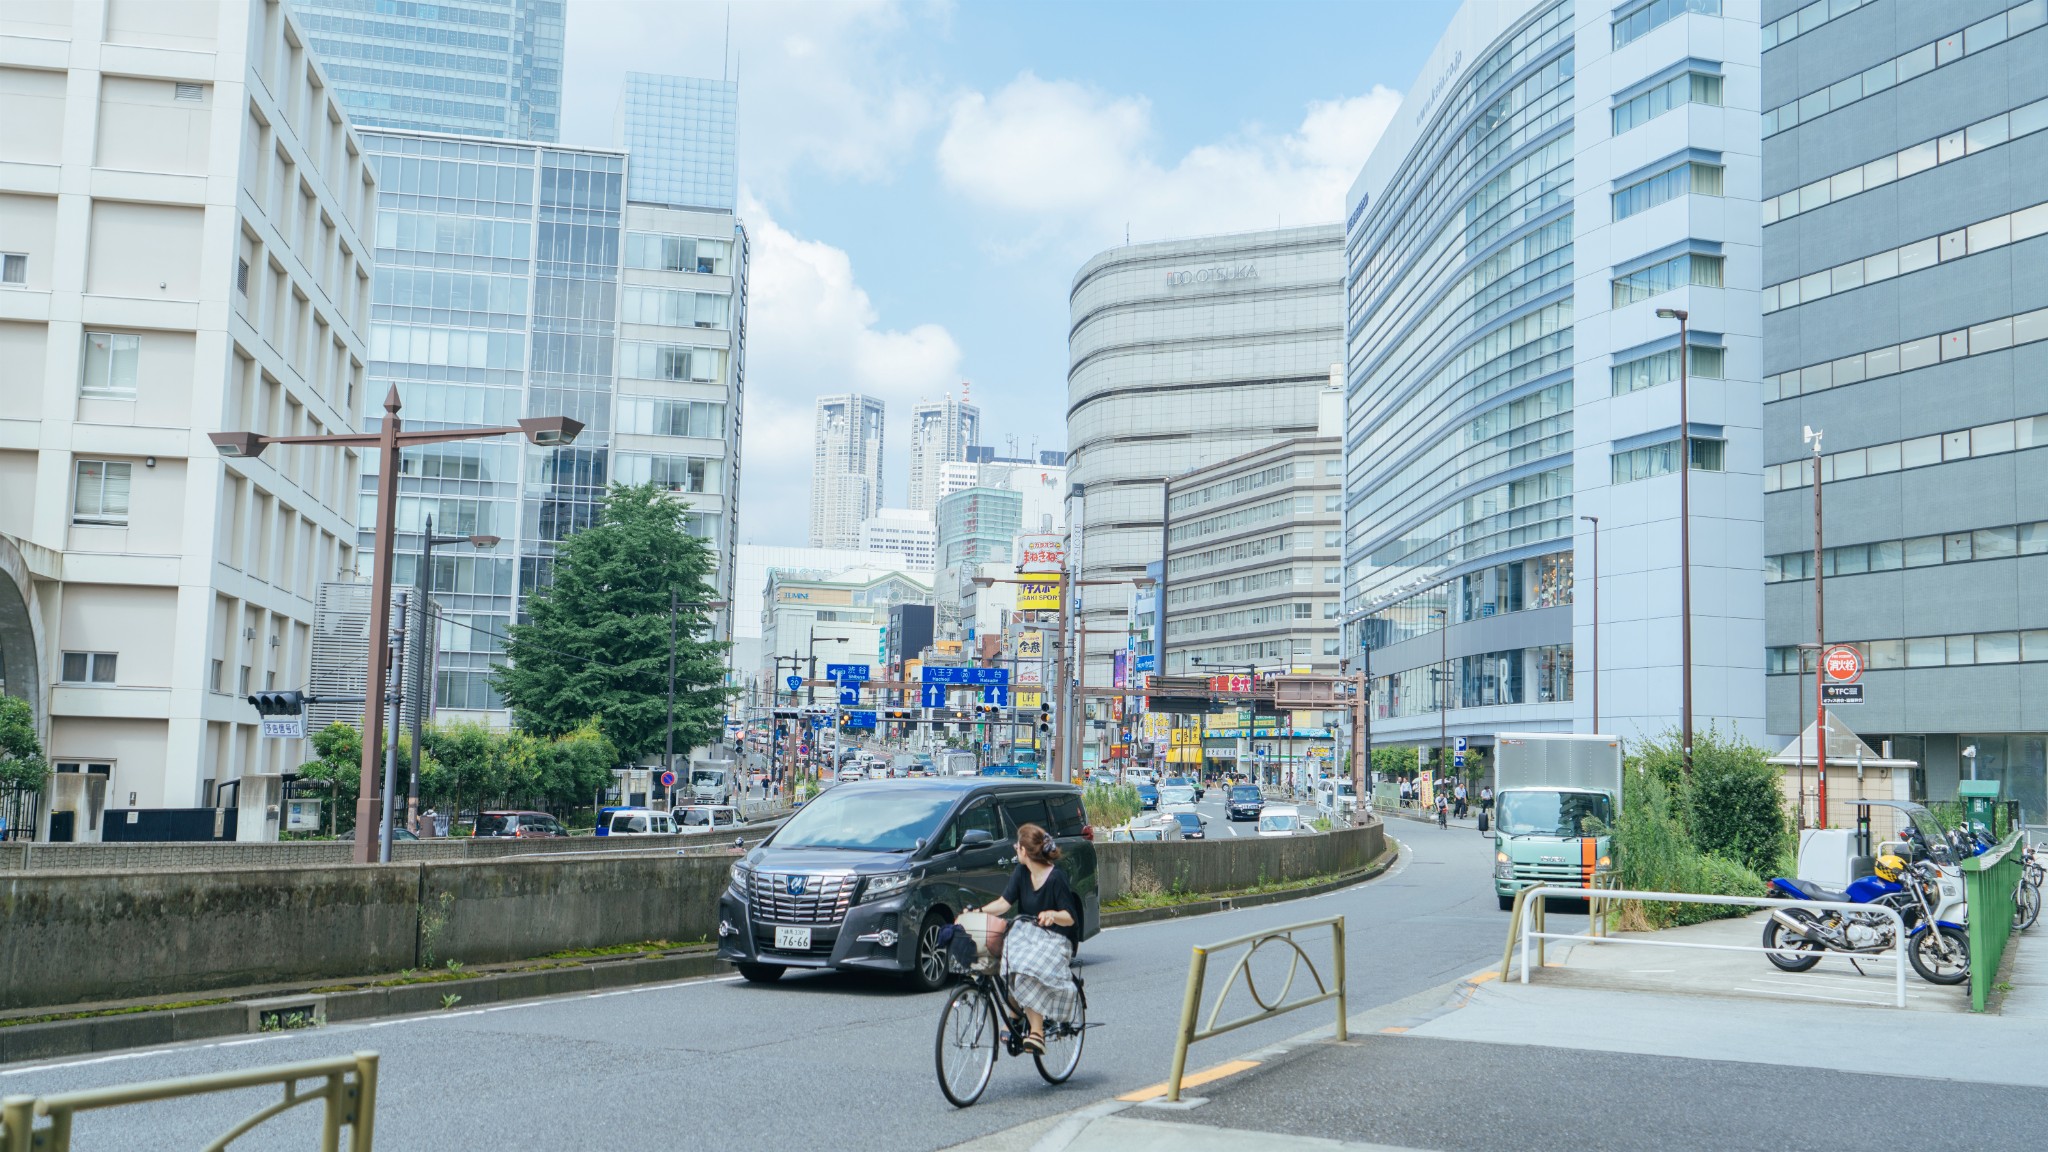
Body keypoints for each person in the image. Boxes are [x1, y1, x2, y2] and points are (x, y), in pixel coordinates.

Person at [973, 823, 1082, 1055]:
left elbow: (1070, 917)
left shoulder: (1056, 878)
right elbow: (1004, 903)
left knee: (1026, 969)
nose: (1015, 850)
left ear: (1024, 850)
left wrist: (1053, 915)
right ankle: (1016, 1013)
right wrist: (978, 913)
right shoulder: (1022, 873)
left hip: (1057, 939)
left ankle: (1037, 1032)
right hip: (1028, 935)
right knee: (1004, 961)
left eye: (1017, 846)